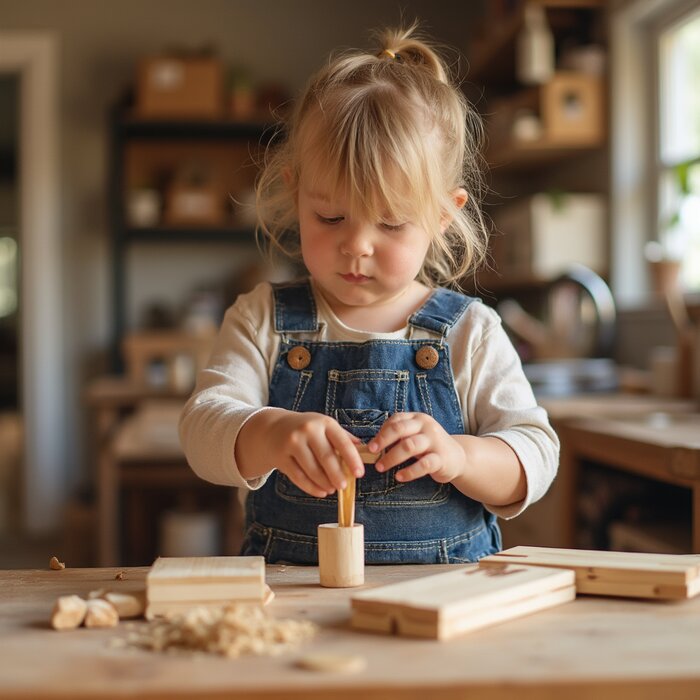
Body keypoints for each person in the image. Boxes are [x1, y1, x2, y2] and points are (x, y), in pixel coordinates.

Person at [179, 24, 559, 564]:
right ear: (295, 191)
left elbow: (536, 456)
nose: (356, 246)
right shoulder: (262, 318)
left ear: (444, 215)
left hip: (445, 603)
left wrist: (459, 455)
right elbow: (201, 429)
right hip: (293, 600)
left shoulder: (470, 333)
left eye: (392, 223)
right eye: (330, 216)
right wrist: (268, 432)